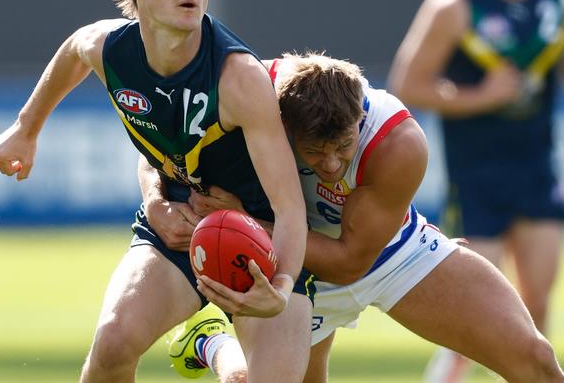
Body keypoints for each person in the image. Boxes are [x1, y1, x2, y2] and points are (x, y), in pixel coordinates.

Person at [0, 0, 314, 383]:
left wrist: (282, 285)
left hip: (262, 239)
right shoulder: (112, 48)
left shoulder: (237, 77)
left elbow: (290, 209)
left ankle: (209, 342)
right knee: (113, 345)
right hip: (177, 227)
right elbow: (77, 47)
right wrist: (26, 127)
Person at [147, 53, 564, 383]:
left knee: (537, 361)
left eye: (343, 146)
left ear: (359, 120)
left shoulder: (398, 142)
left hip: (388, 253)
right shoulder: (250, 97)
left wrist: (250, 222)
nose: (330, 164)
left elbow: (350, 263)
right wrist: (155, 201)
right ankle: (213, 344)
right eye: (313, 151)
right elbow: (156, 143)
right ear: (284, 128)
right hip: (294, 270)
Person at [387, 0, 564, 380]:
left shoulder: (557, 0)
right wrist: (481, 95)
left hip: (537, 173)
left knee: (535, 313)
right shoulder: (455, 3)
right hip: (476, 177)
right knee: (474, 320)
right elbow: (408, 85)